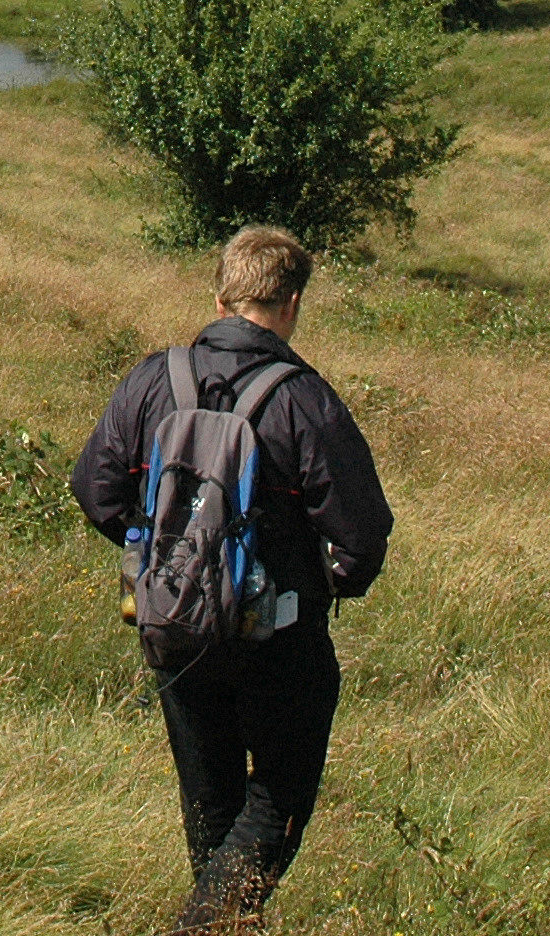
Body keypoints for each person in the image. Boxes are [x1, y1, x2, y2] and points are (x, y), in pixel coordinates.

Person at [71, 225, 394, 934]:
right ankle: (202, 927)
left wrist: (161, 560)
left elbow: (93, 488)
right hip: (278, 634)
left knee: (212, 803)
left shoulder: (155, 378)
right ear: (292, 303)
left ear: (221, 296)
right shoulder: (302, 398)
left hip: (175, 629)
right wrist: (330, 583)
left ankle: (213, 920)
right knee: (275, 805)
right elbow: (364, 530)